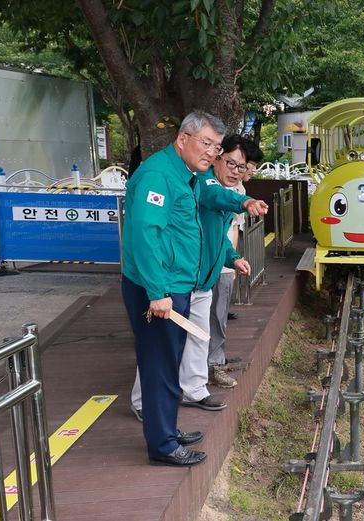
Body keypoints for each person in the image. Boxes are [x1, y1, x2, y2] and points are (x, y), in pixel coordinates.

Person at [121, 111, 267, 467]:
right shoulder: (159, 175)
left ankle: (166, 430)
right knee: (159, 366)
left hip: (176, 285)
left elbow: (207, 212)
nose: (211, 153)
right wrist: (157, 292)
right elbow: (145, 234)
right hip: (160, 289)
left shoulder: (187, 175)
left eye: (216, 146)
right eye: (207, 144)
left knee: (169, 364)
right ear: (182, 138)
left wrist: (241, 212)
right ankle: (163, 445)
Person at [208, 138, 265, 388]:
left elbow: (233, 231)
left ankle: (213, 364)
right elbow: (218, 198)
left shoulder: (239, 189)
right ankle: (203, 370)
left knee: (217, 316)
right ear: (217, 157)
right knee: (201, 319)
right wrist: (246, 203)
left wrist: (234, 258)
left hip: (224, 263)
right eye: (232, 164)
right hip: (201, 266)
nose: (238, 172)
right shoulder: (204, 184)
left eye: (242, 167)